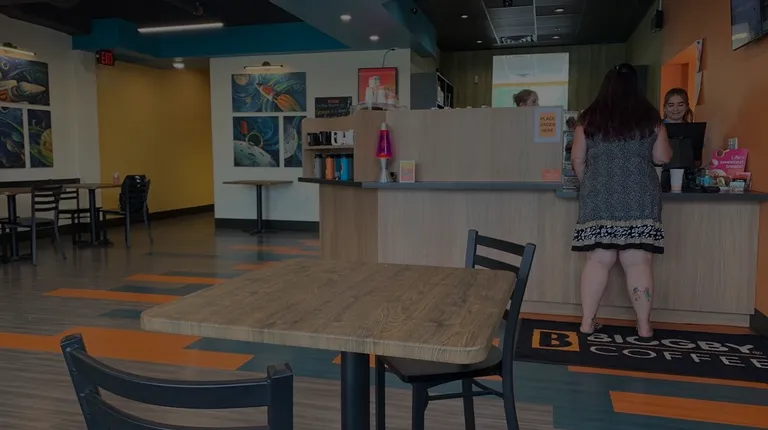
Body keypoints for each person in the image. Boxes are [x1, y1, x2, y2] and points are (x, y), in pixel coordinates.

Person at [570, 64, 672, 339]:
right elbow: (662, 157)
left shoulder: (589, 118)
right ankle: (644, 326)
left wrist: (591, 184)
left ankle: (587, 323)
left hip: (599, 196)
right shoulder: (650, 118)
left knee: (598, 260)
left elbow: (578, 159)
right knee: (638, 262)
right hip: (641, 196)